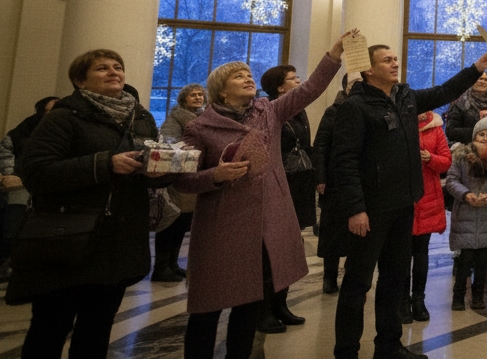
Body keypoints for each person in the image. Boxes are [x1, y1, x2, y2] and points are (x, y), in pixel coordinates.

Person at [175, 30, 353, 359]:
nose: (247, 77)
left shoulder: (267, 112)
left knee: (249, 306)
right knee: (207, 309)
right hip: (222, 228)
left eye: (248, 73)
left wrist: (334, 54)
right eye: (237, 75)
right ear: (220, 90)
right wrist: (215, 175)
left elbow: (311, 89)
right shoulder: (199, 128)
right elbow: (182, 180)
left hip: (264, 225)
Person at [329, 44, 487, 359]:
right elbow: (345, 161)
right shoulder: (356, 106)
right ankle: (346, 351)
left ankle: (389, 346)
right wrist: (356, 208)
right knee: (357, 283)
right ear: (368, 69)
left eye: (395, 58)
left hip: (403, 205)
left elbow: (444, 91)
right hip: (371, 209)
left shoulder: (405, 97)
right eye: (387, 60)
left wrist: (476, 68)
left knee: (394, 280)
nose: (395, 63)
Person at [8, 50, 167, 359]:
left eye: (118, 67)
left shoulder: (142, 118)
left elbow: (143, 173)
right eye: (102, 68)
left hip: (117, 243)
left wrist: (161, 172)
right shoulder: (65, 116)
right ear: (80, 81)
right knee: (49, 330)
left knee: (96, 330)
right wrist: (105, 163)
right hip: (67, 240)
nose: (113, 72)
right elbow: (36, 172)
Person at [261, 64, 319, 328]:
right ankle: (264, 310)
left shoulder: (299, 111)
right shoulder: (268, 111)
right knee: (271, 250)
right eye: (293, 78)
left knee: (289, 248)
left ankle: (281, 303)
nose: (299, 81)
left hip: (300, 183)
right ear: (279, 87)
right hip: (279, 183)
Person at [444, 118, 487, 311]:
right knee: (464, 260)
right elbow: (451, 180)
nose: (485, 138)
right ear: (474, 136)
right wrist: (466, 194)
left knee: (482, 261)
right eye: (482, 134)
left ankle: (478, 295)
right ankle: (458, 296)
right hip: (466, 215)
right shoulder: (461, 157)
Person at [0, 96, 59, 282]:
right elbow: (6, 151)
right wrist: (12, 174)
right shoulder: (22, 132)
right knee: (14, 225)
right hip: (20, 184)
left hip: (49, 186)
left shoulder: (63, 131)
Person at [154, 83, 206, 282]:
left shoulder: (202, 118)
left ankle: (173, 264)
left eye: (200, 95)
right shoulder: (176, 117)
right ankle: (161, 266)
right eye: (193, 95)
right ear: (184, 99)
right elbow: (168, 142)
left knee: (182, 223)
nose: (198, 98)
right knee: (170, 223)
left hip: (194, 175)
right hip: (177, 176)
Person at [406, 109, 450, 321]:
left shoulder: (436, 129)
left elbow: (446, 161)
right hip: (405, 197)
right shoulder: (403, 125)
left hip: (428, 196)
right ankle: (402, 301)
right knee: (403, 255)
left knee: (421, 252)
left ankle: (418, 299)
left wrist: (430, 158)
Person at [315, 77, 351, 294]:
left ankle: (351, 274)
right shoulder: (334, 110)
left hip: (363, 181)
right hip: (335, 181)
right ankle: (329, 277)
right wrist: (321, 177)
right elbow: (320, 144)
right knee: (332, 232)